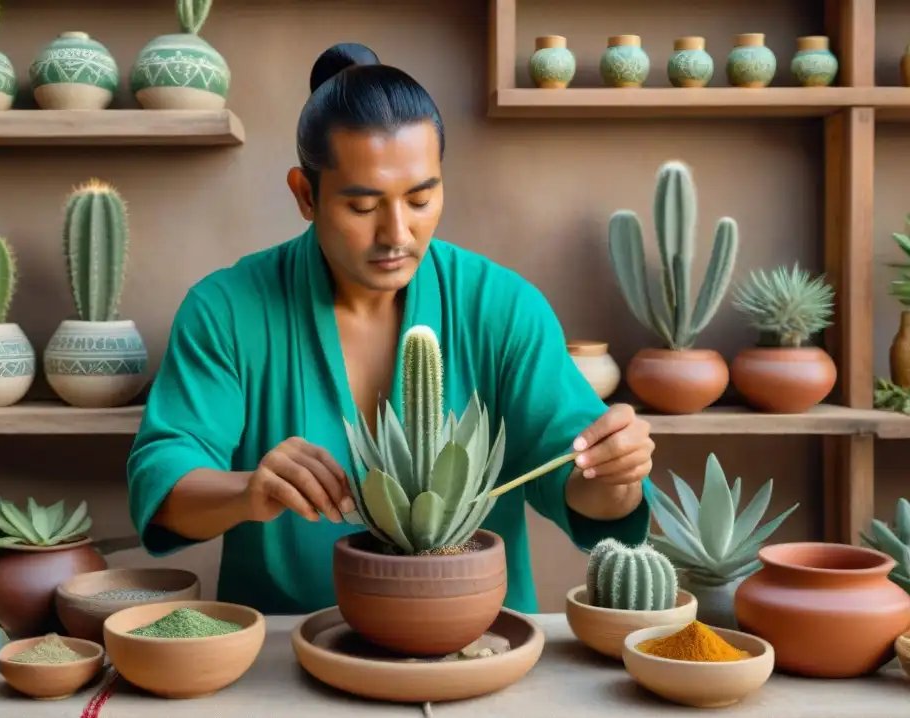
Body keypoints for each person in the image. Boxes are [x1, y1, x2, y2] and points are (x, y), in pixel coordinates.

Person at [127, 42, 657, 615]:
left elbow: (584, 489)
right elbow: (164, 483)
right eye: (362, 207)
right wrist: (249, 489)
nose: (397, 234)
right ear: (306, 195)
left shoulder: (502, 308)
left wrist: (617, 473)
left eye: (422, 198)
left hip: (471, 642)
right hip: (283, 660)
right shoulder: (225, 309)